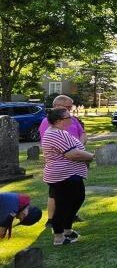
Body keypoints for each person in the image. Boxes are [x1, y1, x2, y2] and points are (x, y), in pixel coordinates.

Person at [41, 107, 93, 246]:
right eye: (68, 117)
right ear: (59, 121)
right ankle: (59, 237)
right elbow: (72, 154)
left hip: (70, 174)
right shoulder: (56, 134)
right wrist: (91, 157)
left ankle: (67, 230)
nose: (71, 119)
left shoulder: (59, 132)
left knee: (77, 199)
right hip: (63, 175)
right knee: (63, 205)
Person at [39, 94, 86, 228]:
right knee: (57, 194)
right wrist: (76, 151)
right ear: (57, 106)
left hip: (76, 160)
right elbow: (49, 143)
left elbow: (82, 133)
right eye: (68, 107)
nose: (70, 110)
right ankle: (52, 219)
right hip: (61, 164)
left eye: (71, 107)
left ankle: (69, 218)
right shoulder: (48, 123)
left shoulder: (73, 119)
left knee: (76, 195)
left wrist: (79, 147)